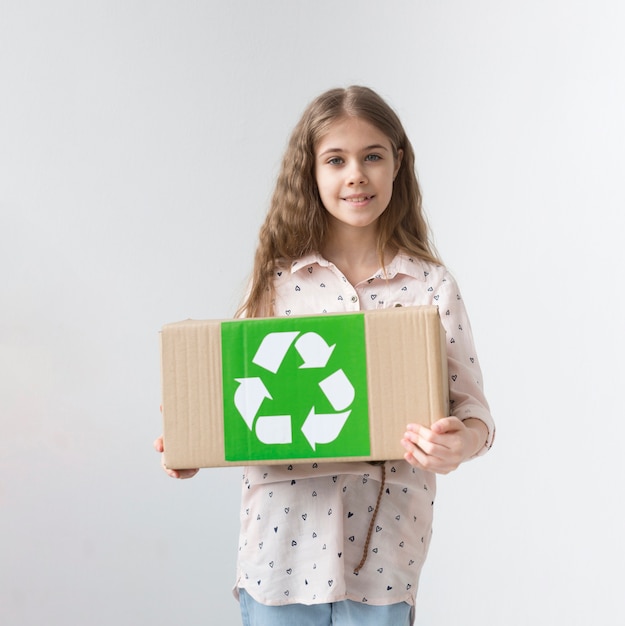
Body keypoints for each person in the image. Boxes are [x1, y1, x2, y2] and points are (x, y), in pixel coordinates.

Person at [154, 85, 495, 625]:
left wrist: (461, 443)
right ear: (311, 172)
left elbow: (474, 413)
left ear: (397, 164)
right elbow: (232, 397)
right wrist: (194, 439)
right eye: (336, 160)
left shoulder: (429, 286)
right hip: (278, 556)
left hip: (383, 556)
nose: (355, 174)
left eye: (372, 157)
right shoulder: (277, 285)